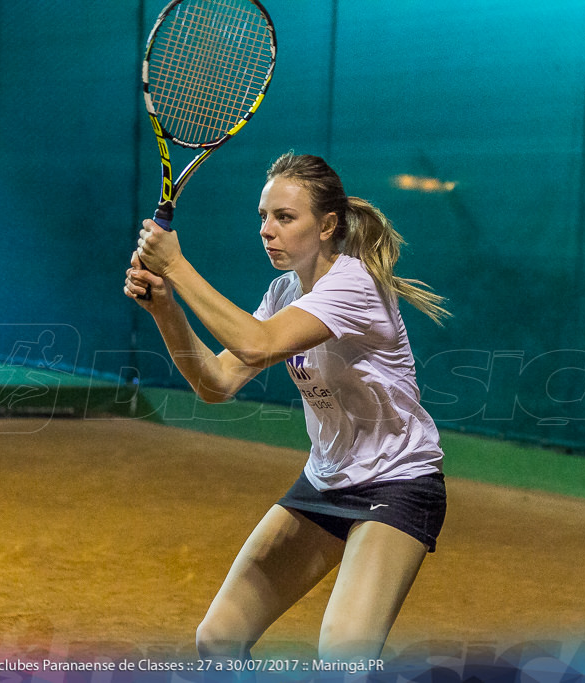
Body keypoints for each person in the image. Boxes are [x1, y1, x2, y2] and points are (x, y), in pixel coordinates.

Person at [123, 152, 450, 663]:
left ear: (327, 225)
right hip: (325, 481)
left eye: (284, 217)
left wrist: (176, 266)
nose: (267, 230)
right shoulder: (283, 293)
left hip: (398, 483)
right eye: (263, 217)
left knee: (343, 656)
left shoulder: (353, 283)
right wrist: (165, 306)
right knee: (219, 638)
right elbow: (218, 382)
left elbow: (255, 345)